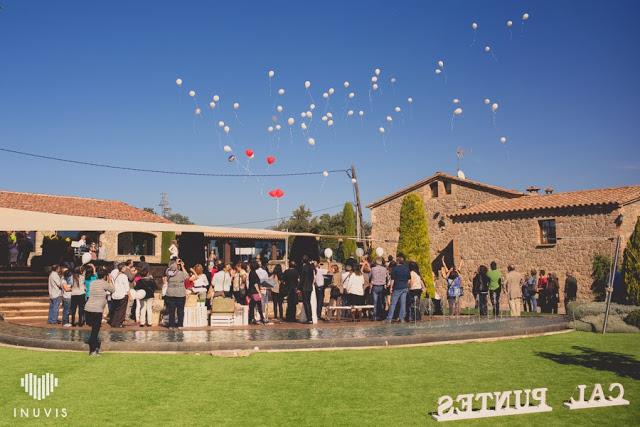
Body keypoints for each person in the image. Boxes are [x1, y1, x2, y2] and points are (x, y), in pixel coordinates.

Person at [84, 266, 114, 355]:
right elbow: (113, 289)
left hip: (88, 308)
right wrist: (110, 280)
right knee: (95, 331)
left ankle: (94, 347)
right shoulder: (104, 283)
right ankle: (92, 351)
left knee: (94, 330)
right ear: (105, 276)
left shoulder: (93, 282)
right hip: (96, 310)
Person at [164, 259, 189, 328]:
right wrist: (182, 266)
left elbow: (169, 268)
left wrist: (174, 264)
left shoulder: (168, 273)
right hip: (180, 294)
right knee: (180, 310)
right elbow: (187, 276)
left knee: (171, 311)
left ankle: (171, 325)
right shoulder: (181, 273)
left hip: (170, 294)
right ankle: (180, 325)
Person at [386, 254, 410, 323]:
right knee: (403, 303)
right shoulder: (406, 268)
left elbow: (392, 280)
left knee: (393, 303)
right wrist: (407, 286)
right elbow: (409, 279)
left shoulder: (395, 269)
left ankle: (389, 318)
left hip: (397, 288)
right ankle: (402, 318)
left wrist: (391, 288)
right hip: (404, 287)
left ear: (397, 262)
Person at [247, 260, 266, 325]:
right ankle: (261, 318)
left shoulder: (251, 273)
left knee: (252, 306)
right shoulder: (254, 273)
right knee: (258, 305)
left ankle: (252, 319)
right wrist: (259, 292)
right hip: (255, 292)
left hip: (252, 292)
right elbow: (255, 284)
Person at [300, 256, 315, 323]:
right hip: (309, 287)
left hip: (305, 287)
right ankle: (310, 318)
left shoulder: (305, 267)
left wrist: (299, 287)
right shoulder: (311, 267)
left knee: (306, 303)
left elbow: (302, 279)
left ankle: (309, 318)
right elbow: (312, 278)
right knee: (308, 302)